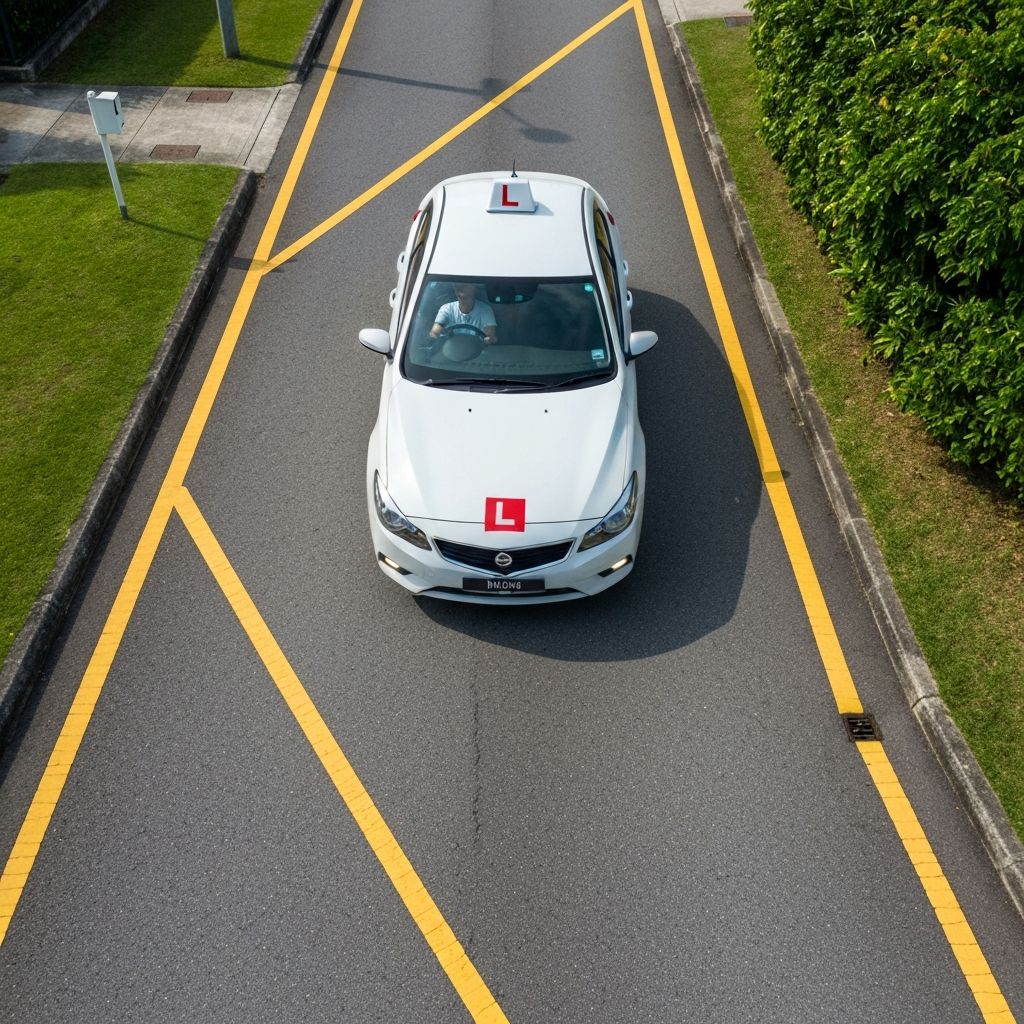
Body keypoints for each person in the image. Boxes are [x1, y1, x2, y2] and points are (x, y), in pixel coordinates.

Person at [429, 283, 498, 344]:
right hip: (450, 352)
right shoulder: (446, 309)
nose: (459, 288)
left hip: (478, 354)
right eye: (456, 286)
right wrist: (435, 335)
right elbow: (435, 331)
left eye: (464, 285)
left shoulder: (485, 310)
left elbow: (490, 334)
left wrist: (489, 339)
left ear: (474, 288)